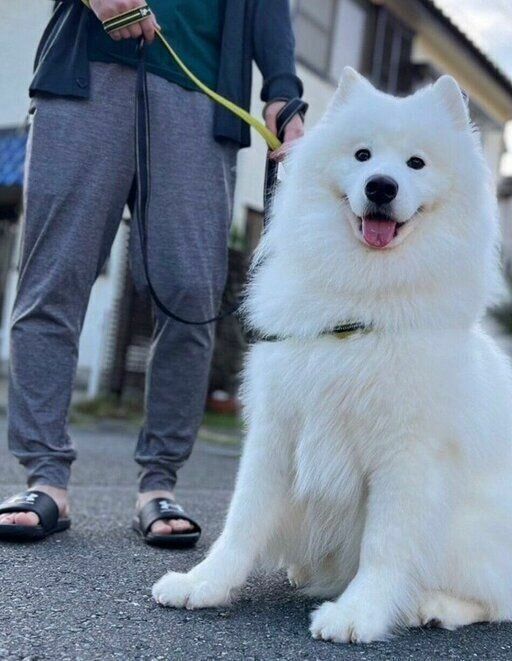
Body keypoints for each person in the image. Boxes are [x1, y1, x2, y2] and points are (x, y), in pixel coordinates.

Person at [0, 0, 304, 546]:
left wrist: (283, 90)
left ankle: (158, 483)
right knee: (54, 280)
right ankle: (44, 476)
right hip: (88, 71)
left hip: (201, 89)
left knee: (191, 291)